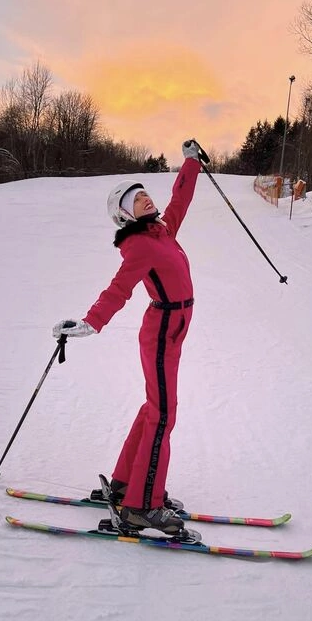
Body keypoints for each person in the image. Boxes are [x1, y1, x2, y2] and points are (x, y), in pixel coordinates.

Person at [52, 139, 202, 535]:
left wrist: (190, 164)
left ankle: (124, 484)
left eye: (146, 195)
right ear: (123, 214)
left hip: (175, 330)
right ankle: (141, 506)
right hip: (161, 332)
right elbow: (118, 289)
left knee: (155, 408)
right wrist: (89, 322)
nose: (146, 200)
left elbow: (180, 201)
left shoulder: (162, 231)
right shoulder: (138, 245)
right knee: (163, 415)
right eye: (136, 200)